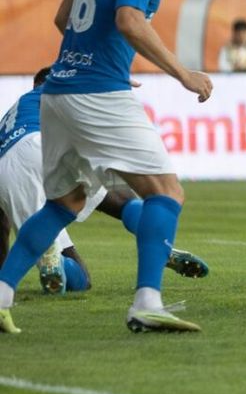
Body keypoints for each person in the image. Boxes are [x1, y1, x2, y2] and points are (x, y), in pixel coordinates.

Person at [0, 0, 215, 335]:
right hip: (95, 92)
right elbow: (129, 22)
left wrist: (101, 63)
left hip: (57, 92)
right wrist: (184, 75)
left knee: (65, 203)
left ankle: (1, 294)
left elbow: (63, 18)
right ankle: (146, 301)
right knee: (166, 192)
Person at [0, 67, 210, 300]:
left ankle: (53, 255)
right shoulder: (60, 89)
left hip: (10, 167)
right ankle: (159, 243)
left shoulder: (13, 115)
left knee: (78, 275)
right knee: (122, 198)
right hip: (42, 148)